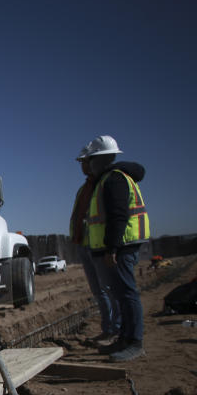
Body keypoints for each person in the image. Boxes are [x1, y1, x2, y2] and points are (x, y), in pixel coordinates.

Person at [76, 135, 150, 362]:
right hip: (117, 247)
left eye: (89, 160)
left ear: (99, 159)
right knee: (120, 294)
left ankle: (134, 342)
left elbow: (119, 216)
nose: (86, 165)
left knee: (127, 294)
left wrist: (112, 249)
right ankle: (124, 338)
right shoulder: (106, 179)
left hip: (121, 247)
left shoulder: (114, 179)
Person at [70, 144, 121, 344]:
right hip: (86, 243)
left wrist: (111, 247)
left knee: (110, 289)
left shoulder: (106, 183)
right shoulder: (86, 188)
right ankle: (108, 329)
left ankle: (117, 329)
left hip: (99, 246)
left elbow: (114, 215)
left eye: (85, 161)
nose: (83, 166)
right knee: (99, 291)